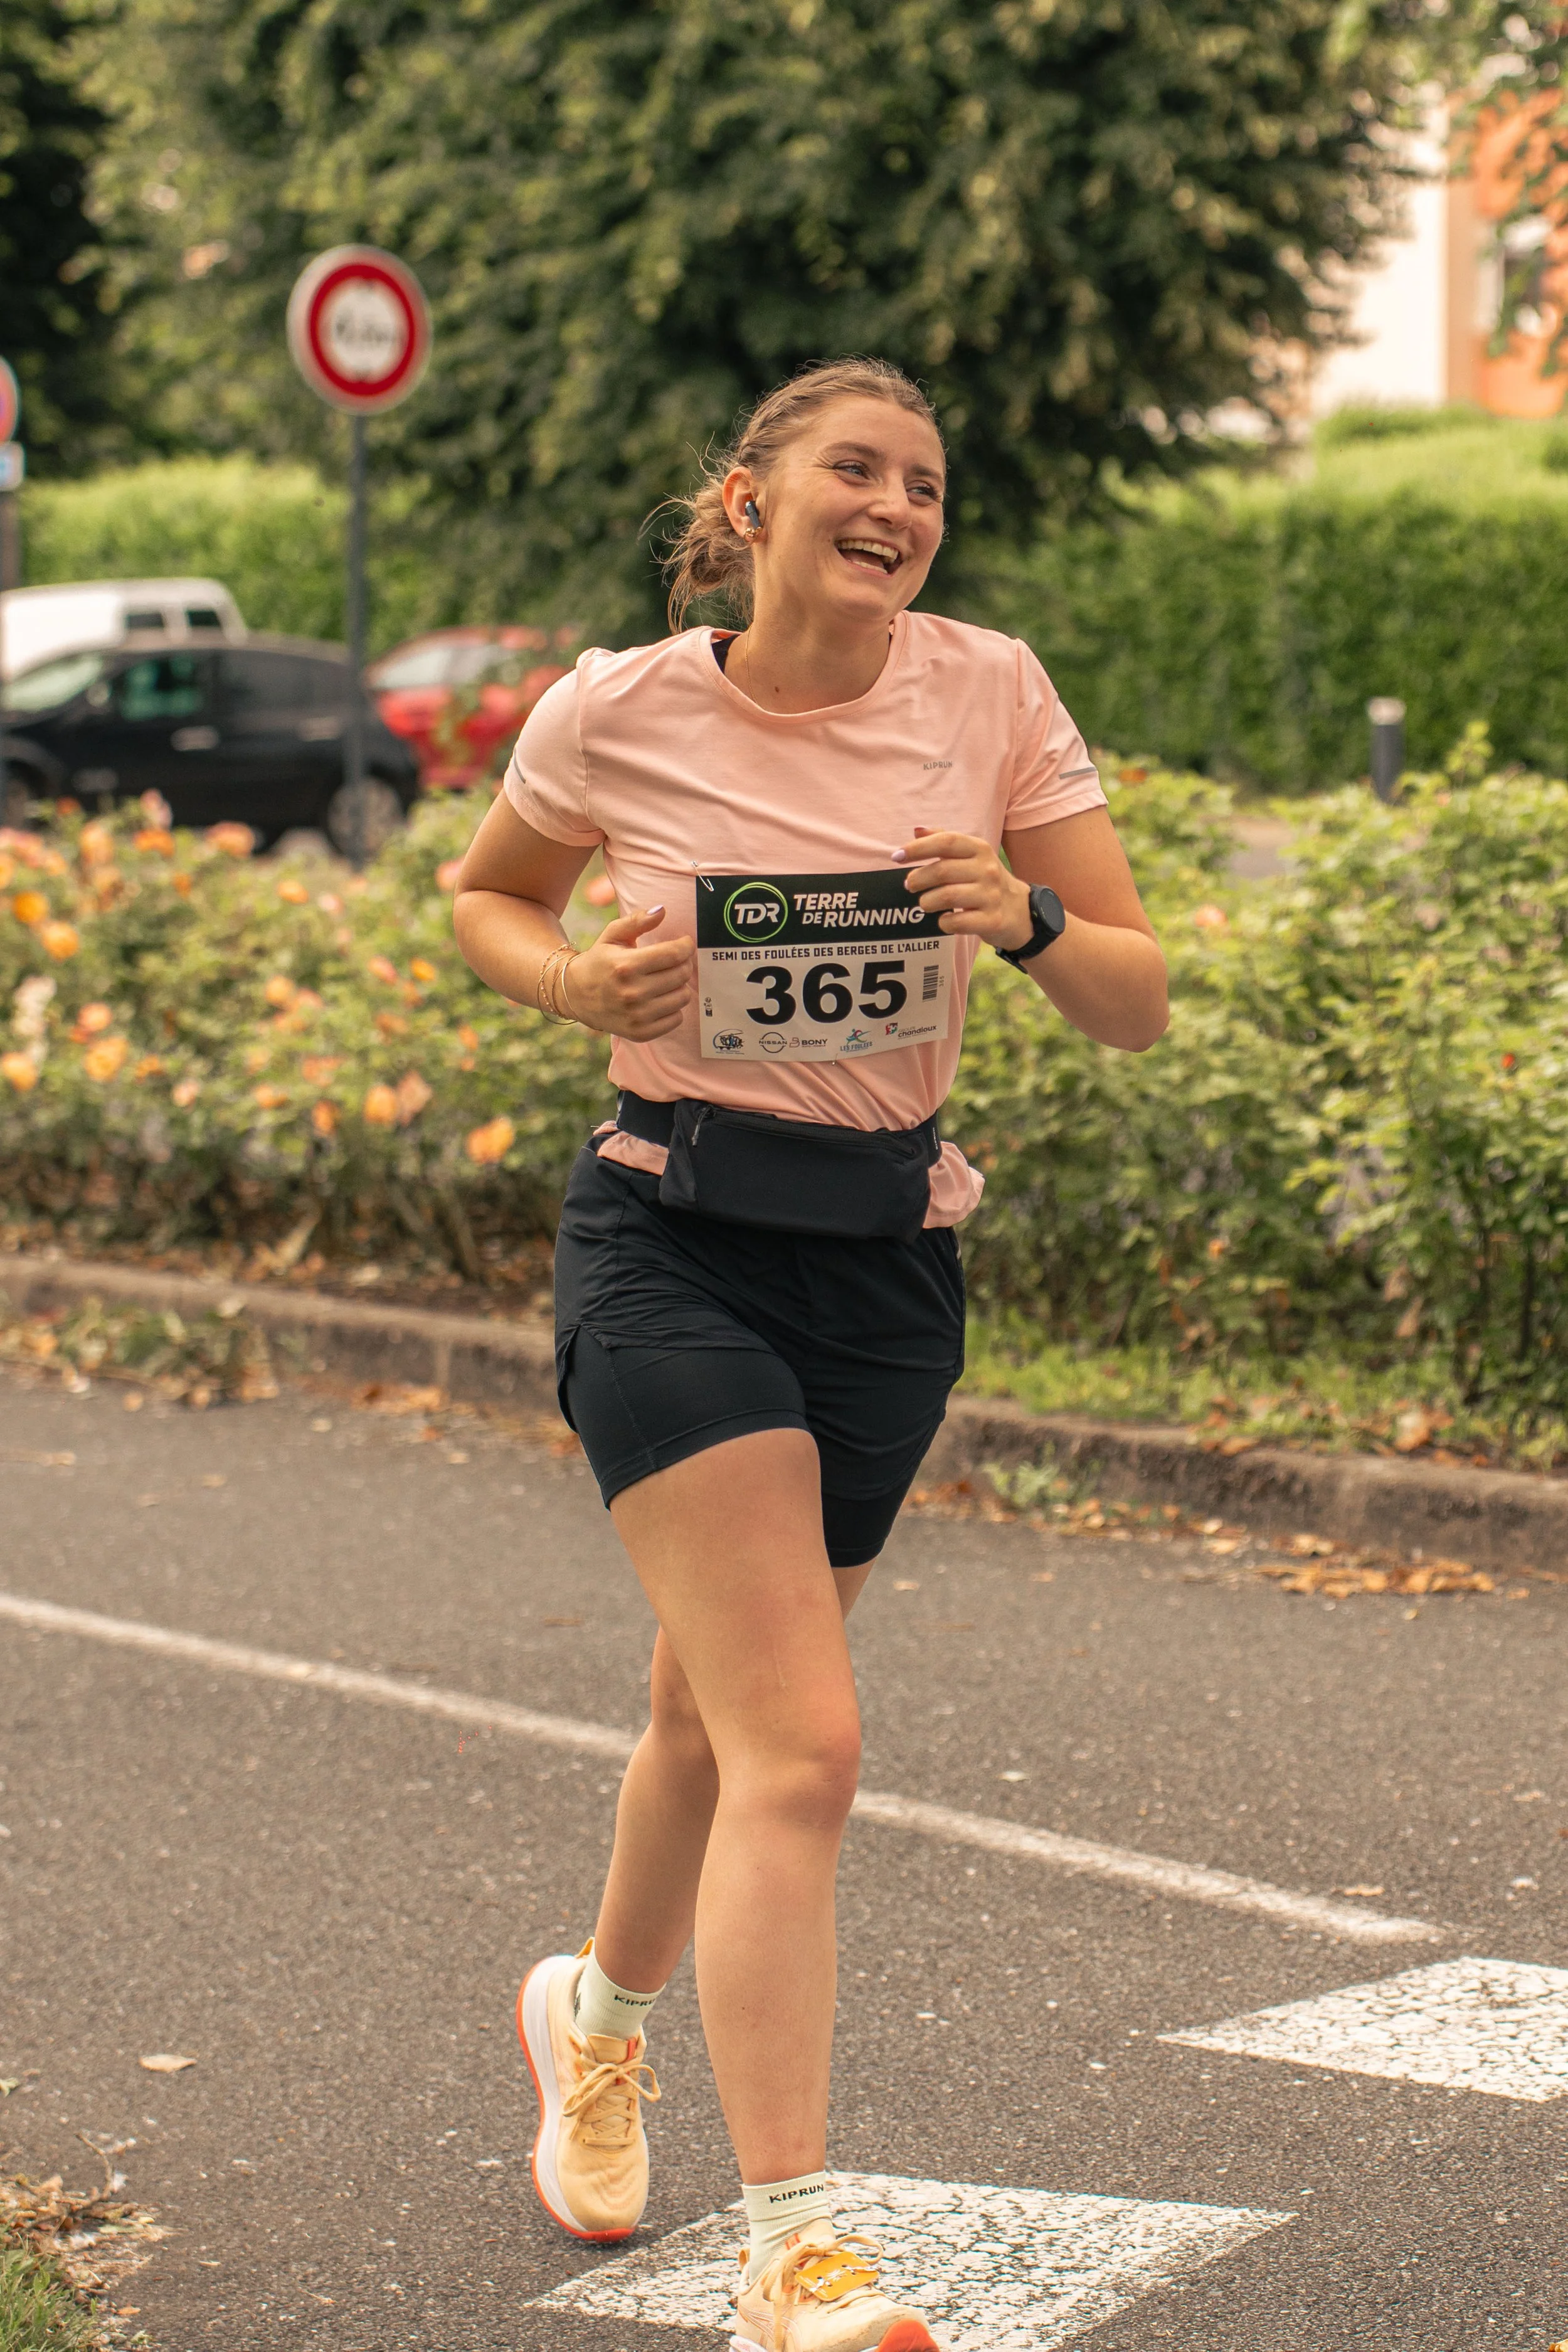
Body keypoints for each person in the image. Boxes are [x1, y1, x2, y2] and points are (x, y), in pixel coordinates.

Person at [452, 356, 1167, 2352]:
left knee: (709, 1713)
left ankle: (589, 2021)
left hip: (879, 1270)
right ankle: (798, 2245)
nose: (898, 502)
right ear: (752, 503)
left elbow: (1134, 998)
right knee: (806, 1742)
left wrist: (1018, 914)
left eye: (925, 482)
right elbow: (488, 897)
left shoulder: (989, 690)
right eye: (854, 468)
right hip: (667, 1238)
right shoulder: (619, 705)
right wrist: (576, 972)